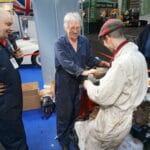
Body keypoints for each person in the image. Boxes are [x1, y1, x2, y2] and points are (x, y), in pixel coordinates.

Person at [75, 18, 148, 150]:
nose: (105, 45)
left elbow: (101, 96)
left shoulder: (121, 63)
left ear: (107, 37)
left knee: (94, 145)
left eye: (104, 42)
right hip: (125, 121)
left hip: (110, 124)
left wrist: (87, 84)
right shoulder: (139, 57)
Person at [54, 12, 110, 150]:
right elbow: (66, 63)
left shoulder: (84, 40)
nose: (75, 31)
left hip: (79, 82)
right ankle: (63, 139)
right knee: (64, 113)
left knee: (75, 110)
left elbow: (89, 58)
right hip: (64, 82)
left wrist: (101, 62)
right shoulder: (59, 43)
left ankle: (72, 132)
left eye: (77, 27)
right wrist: (85, 72)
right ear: (65, 27)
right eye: (72, 28)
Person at [0, 9, 28, 150]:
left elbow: (12, 63)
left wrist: (18, 57)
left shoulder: (5, 42)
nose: (10, 28)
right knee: (12, 137)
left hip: (14, 99)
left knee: (16, 130)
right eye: (7, 24)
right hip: (4, 106)